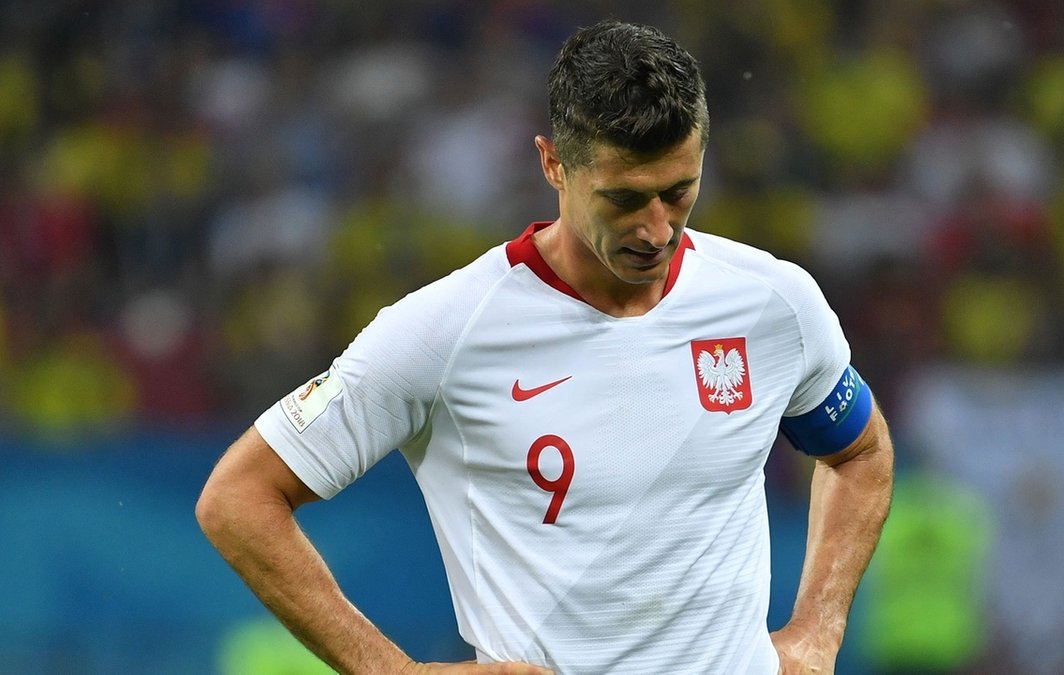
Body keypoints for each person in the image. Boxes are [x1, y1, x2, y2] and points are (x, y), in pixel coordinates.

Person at [196, 19, 894, 675]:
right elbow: (239, 498)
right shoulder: (448, 329)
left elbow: (859, 452)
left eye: (679, 191)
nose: (657, 229)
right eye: (625, 199)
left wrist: (819, 628)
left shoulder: (772, 303)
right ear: (554, 164)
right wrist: (396, 670)